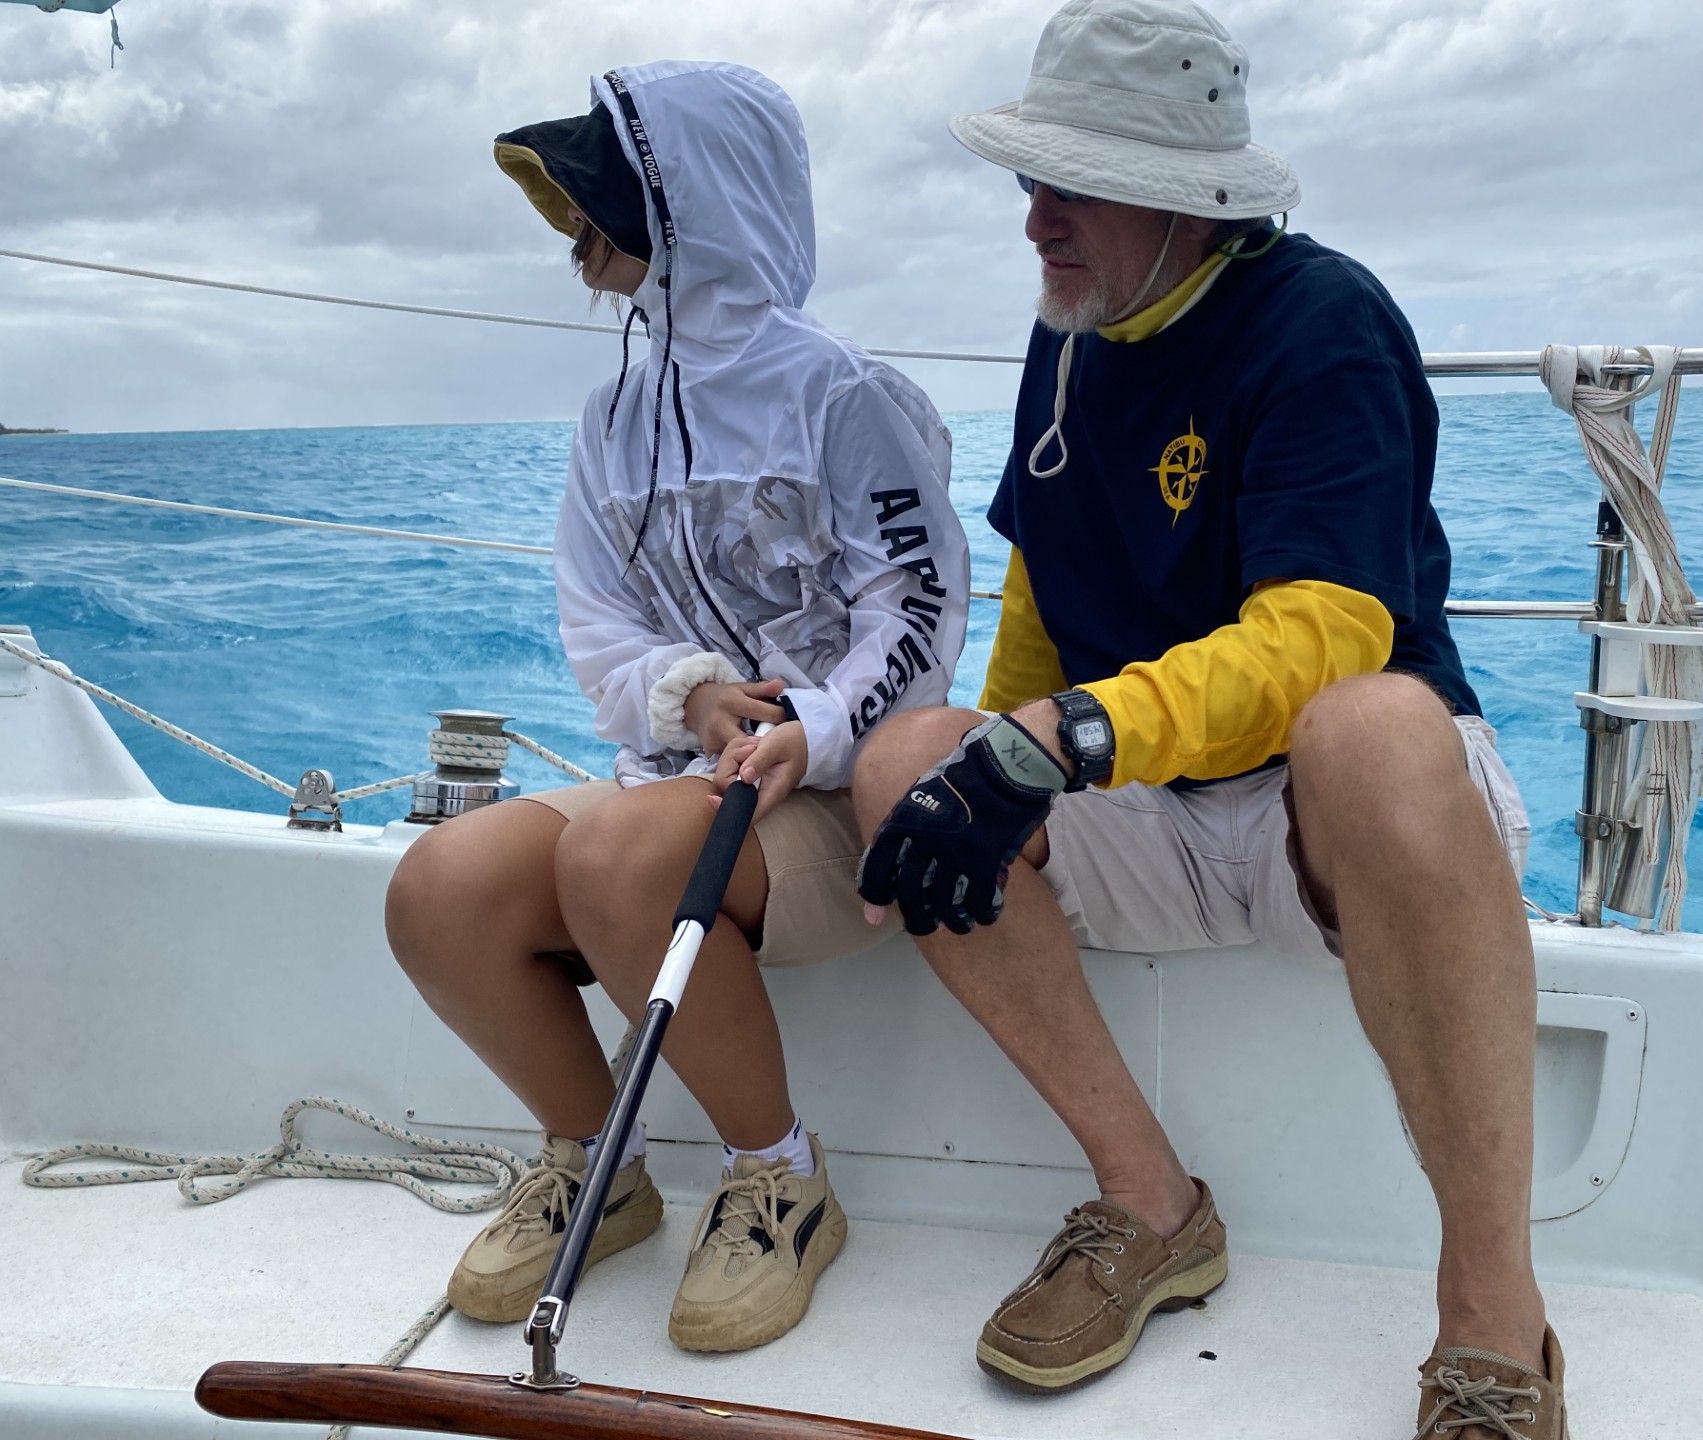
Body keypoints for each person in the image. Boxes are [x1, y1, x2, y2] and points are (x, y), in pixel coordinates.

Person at [851, 2, 1565, 1435]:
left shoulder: (1324, 321)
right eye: (1030, 180)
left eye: (1074, 185)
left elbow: (1329, 637)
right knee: (905, 763)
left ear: (1187, 198)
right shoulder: (1069, 334)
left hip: (1340, 824)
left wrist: (1065, 741)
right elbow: (1043, 584)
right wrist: (995, 753)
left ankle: (1493, 1313)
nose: (1035, 220)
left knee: (1370, 723)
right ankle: (1151, 1207)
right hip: (1159, 815)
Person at [385, 60, 967, 1354]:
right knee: (439, 887)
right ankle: (601, 1166)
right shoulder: (614, 415)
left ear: (694, 200)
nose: (573, 221)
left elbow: (919, 609)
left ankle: (781, 1178)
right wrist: (693, 695)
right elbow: (596, 617)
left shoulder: (845, 394)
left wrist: (813, 729)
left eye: (604, 190)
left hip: (832, 798)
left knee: (617, 852)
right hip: (676, 793)